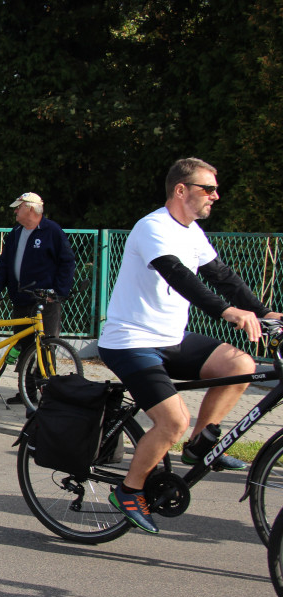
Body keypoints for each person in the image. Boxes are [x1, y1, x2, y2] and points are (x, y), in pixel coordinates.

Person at [98, 158, 282, 534]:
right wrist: (227, 312)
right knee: (172, 421)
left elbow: (222, 276)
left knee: (239, 364)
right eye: (208, 189)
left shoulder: (192, 231)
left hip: (171, 339)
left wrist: (266, 314)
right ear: (181, 190)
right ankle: (129, 490)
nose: (216, 196)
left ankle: (201, 442)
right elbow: (179, 276)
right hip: (131, 342)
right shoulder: (153, 228)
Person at [0, 191, 76, 405]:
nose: (15, 211)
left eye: (19, 207)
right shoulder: (16, 232)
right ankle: (27, 393)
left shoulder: (52, 231)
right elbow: (4, 262)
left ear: (31, 209)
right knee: (23, 347)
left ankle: (48, 395)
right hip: (21, 299)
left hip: (46, 301)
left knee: (45, 346)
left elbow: (67, 263)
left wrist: (59, 292)